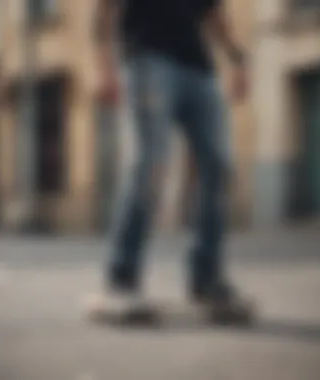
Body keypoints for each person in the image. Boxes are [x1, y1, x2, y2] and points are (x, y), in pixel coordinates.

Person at [96, 0, 250, 310]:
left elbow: (213, 13)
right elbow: (104, 9)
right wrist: (105, 67)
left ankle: (206, 279)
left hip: (199, 66)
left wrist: (236, 58)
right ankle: (122, 277)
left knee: (218, 166)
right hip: (147, 59)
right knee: (151, 164)